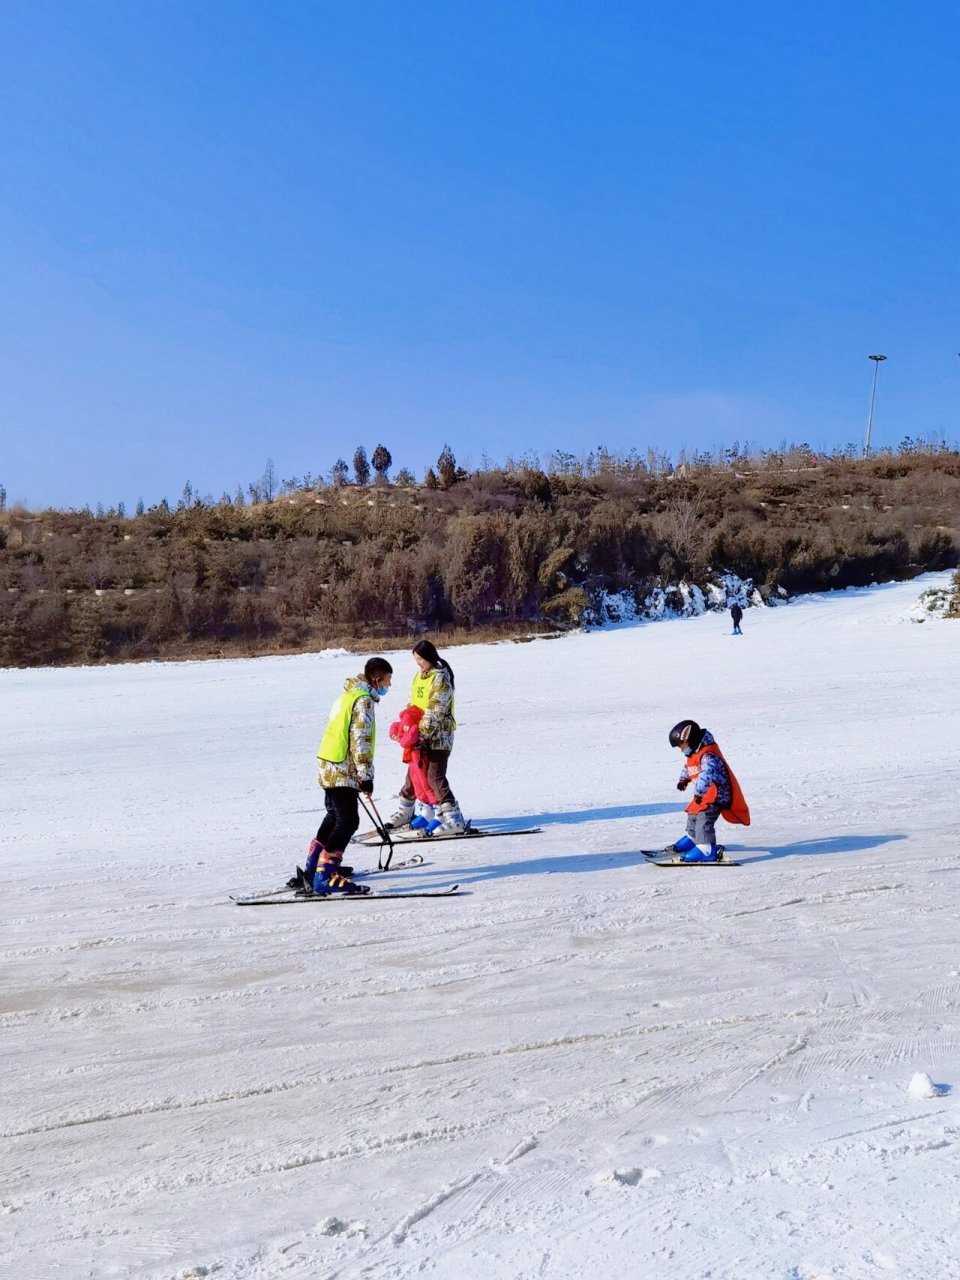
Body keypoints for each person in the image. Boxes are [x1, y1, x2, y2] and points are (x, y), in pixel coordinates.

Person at [300, 656, 393, 894]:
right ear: (377, 678)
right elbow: (360, 741)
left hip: (327, 763)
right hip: (343, 767)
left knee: (334, 816)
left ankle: (314, 867)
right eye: (387, 681)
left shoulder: (347, 695)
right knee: (349, 820)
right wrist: (365, 776)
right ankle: (326, 875)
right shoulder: (363, 701)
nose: (388, 686)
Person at [386, 639, 465, 833]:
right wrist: (404, 728)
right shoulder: (419, 677)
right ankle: (410, 811)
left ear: (430, 657)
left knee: (434, 777)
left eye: (421, 659)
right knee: (414, 776)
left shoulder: (440, 679)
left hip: (437, 738)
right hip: (418, 737)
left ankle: (453, 818)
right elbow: (412, 706)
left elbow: (435, 711)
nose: (418, 663)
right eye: (416, 660)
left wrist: (420, 734)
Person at [664, 719, 750, 862]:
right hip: (704, 794)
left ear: (690, 739)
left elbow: (706, 774)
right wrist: (683, 779)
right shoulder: (695, 753)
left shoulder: (709, 755)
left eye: (682, 745)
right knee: (693, 814)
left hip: (717, 794)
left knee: (704, 819)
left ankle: (706, 849)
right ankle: (693, 839)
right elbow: (689, 767)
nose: (681, 750)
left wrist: (698, 791)